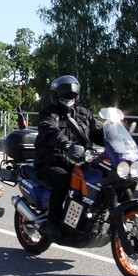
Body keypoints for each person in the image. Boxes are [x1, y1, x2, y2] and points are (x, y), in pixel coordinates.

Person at [34, 75, 104, 239]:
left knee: (101, 176)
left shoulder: (83, 114)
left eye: (72, 96)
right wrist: (66, 145)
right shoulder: (48, 113)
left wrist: (115, 137)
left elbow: (97, 132)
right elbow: (49, 131)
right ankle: (53, 223)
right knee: (63, 179)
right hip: (51, 160)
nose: (68, 99)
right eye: (64, 96)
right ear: (56, 96)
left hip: (79, 162)